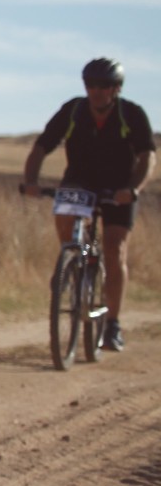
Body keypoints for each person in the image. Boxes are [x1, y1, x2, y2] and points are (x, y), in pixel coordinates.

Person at [20, 58, 153, 351]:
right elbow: (42, 146)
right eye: (90, 85)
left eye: (103, 85)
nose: (96, 91)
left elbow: (147, 157)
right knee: (65, 212)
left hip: (119, 188)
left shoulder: (131, 114)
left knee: (114, 248)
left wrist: (132, 189)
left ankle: (113, 324)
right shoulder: (74, 110)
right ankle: (70, 261)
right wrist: (30, 180)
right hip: (80, 182)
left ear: (116, 89)